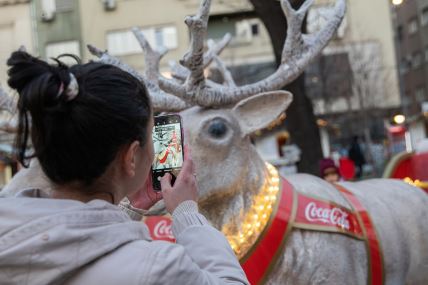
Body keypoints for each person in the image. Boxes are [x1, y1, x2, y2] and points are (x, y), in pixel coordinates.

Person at [0, 51, 248, 285]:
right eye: (152, 135)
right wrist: (187, 214)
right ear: (131, 157)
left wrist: (130, 208)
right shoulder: (159, 269)